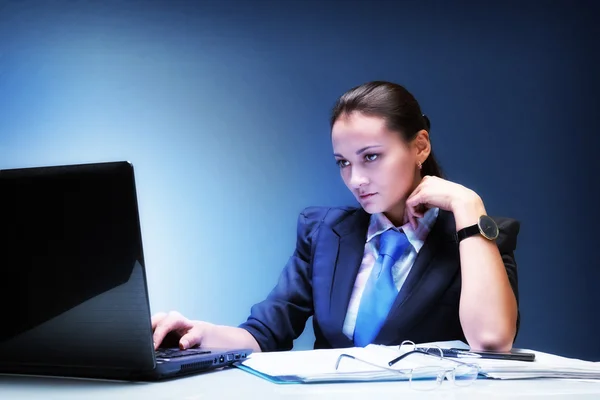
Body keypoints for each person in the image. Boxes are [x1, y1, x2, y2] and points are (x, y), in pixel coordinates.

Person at [151, 81, 519, 353]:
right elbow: (264, 333)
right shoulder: (325, 232)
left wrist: (469, 206)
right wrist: (198, 333)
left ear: (420, 145)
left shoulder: (476, 238)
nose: (356, 180)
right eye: (343, 162)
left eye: (371, 156)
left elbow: (491, 340)